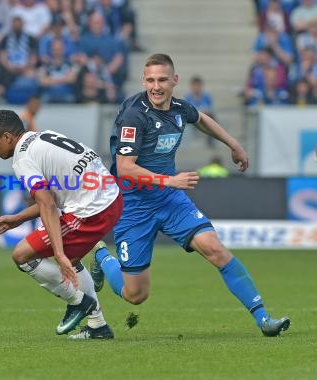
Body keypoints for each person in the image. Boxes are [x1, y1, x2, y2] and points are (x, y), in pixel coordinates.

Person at [90, 53, 290, 337]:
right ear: (143, 81)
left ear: (175, 80)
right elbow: (124, 168)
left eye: (161, 80)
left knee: (216, 250)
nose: (155, 87)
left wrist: (233, 144)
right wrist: (169, 180)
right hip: (133, 207)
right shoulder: (135, 116)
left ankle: (263, 319)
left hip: (169, 200)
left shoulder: (179, 109)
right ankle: (101, 257)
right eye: (150, 80)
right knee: (136, 295)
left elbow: (200, 118)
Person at [0, 110, 123, 339]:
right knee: (72, 258)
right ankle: (98, 326)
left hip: (92, 211)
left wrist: (59, 254)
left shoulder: (23, 159)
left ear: (7, 137)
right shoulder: (43, 137)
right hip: (111, 198)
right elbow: (54, 198)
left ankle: (78, 301)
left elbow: (48, 205)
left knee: (22, 255)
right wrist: (17, 219)